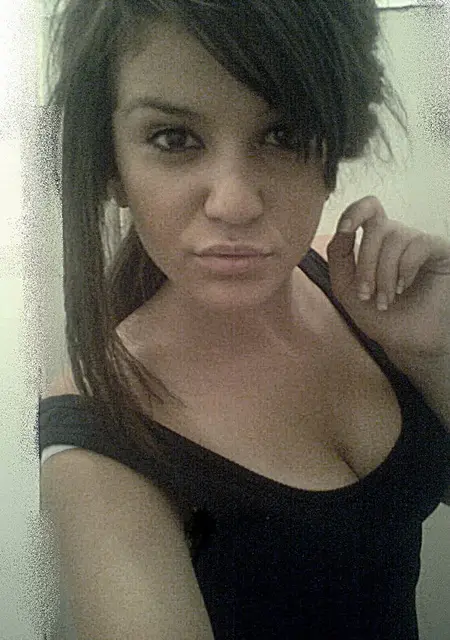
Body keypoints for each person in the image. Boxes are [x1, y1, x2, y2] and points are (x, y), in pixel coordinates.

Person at [39, 1, 450, 638]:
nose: (234, 204)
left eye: (283, 135)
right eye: (173, 138)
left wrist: (433, 359)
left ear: (332, 151)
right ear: (113, 168)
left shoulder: (358, 290)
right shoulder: (101, 436)